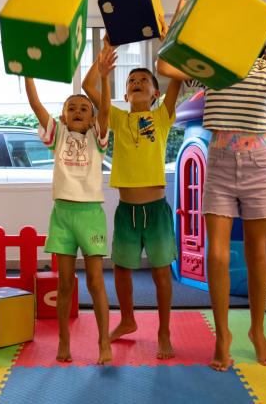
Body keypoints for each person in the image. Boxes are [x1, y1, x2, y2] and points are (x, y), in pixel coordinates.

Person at [157, 0, 266, 370]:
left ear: (262, 40)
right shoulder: (213, 68)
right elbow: (166, 68)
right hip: (218, 161)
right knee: (216, 254)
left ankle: (256, 330)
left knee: (257, 253)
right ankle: (222, 335)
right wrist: (179, 24)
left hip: (260, 165)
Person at [83, 33, 183, 359]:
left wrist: (171, 41)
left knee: (160, 272)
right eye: (132, 80)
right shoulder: (118, 117)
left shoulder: (162, 116)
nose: (137, 82)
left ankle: (164, 330)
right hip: (127, 210)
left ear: (155, 93)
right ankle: (127, 320)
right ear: (125, 93)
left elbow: (176, 77)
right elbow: (88, 88)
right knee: (122, 270)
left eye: (144, 80)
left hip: (156, 210)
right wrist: (102, 63)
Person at [24, 49, 116, 365]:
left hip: (90, 214)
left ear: (91, 119)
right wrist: (28, 72)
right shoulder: (58, 135)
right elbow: (36, 106)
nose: (78, 111)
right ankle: (64, 339)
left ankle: (104, 341)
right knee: (64, 283)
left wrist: (104, 76)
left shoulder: (97, 137)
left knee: (94, 281)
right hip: (62, 214)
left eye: (83, 109)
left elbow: (106, 110)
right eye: (71, 108)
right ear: (64, 117)